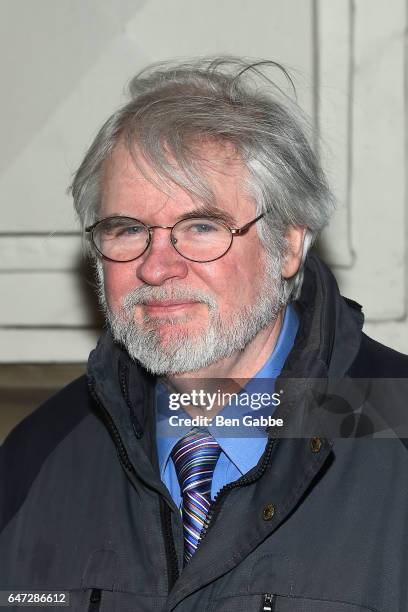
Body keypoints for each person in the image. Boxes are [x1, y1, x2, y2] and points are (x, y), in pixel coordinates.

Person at [1, 57, 407, 612]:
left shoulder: (393, 427)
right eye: (127, 230)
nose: (156, 267)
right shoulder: (38, 458)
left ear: (288, 245)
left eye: (201, 227)